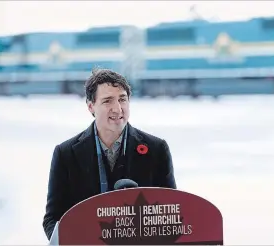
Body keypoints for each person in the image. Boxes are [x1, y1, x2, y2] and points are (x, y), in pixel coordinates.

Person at [42, 68, 177, 240]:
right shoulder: (66, 154)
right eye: (107, 101)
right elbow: (52, 219)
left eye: (122, 99)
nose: (117, 108)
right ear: (91, 106)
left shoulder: (157, 149)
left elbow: (172, 213)